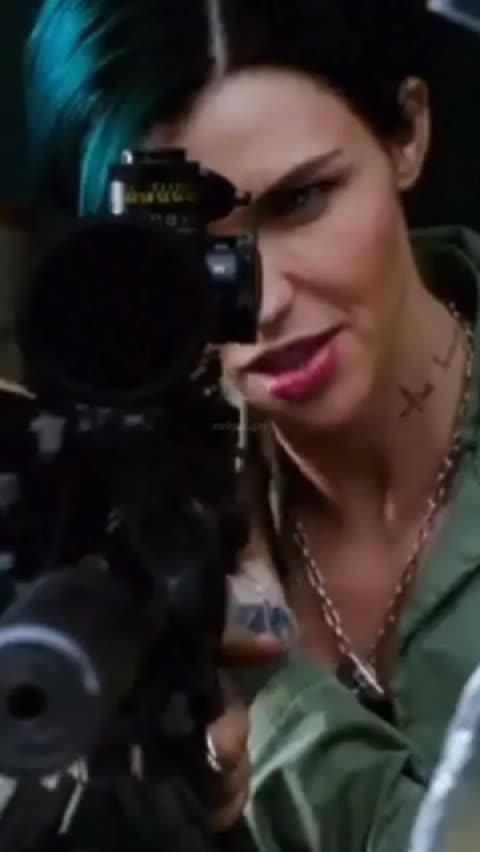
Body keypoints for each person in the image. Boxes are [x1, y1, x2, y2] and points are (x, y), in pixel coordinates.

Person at [23, 0, 480, 849]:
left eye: (302, 200)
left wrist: (268, 696)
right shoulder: (117, 511)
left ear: (408, 133)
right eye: (183, 249)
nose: (262, 303)